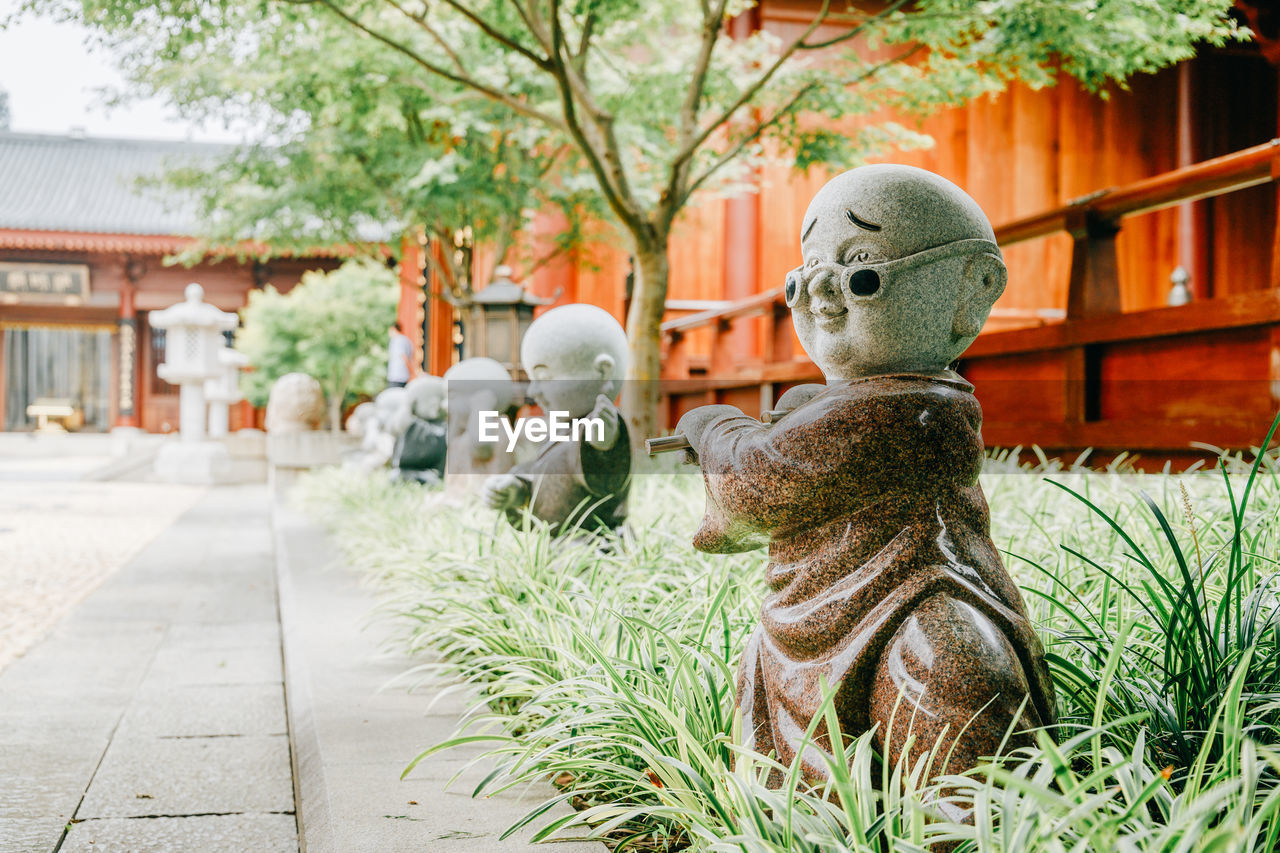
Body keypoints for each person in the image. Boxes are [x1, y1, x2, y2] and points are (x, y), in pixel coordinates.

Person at [673, 165, 1056, 808]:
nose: (822, 295)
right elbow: (813, 442)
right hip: (838, 608)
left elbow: (755, 482)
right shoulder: (892, 400)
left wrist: (713, 425)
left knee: (941, 674)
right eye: (807, 273)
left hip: (904, 610)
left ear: (972, 288)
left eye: (860, 272)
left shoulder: (897, 407)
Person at [386, 322, 414, 388]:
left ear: (393, 329)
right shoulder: (406, 340)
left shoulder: (398, 340)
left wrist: (411, 373)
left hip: (397, 376)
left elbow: (404, 357)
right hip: (403, 376)